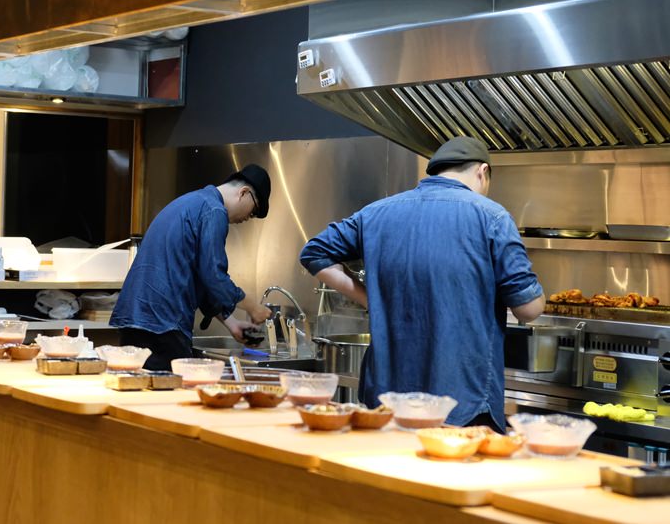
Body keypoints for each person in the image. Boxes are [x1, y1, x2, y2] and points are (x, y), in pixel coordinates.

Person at [300, 137, 544, 432]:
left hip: (387, 404)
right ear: (482, 172)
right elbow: (529, 309)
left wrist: (371, 299)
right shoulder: (491, 216)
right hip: (463, 404)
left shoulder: (376, 213)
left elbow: (314, 252)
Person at [111, 164, 275, 371]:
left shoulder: (192, 202)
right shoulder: (214, 211)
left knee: (139, 394)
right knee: (168, 396)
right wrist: (252, 306)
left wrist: (231, 323)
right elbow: (214, 275)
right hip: (163, 322)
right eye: (254, 211)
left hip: (137, 318)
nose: (247, 219)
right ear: (244, 193)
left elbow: (200, 275)